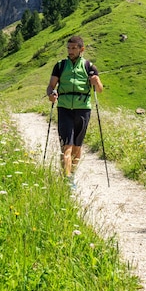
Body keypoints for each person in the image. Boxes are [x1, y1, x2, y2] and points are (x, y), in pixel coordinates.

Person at [46, 35, 103, 186]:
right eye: (68, 48)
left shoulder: (89, 67)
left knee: (77, 147)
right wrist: (51, 94)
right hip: (64, 108)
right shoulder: (60, 65)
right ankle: (67, 180)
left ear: (81, 49)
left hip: (83, 110)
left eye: (73, 48)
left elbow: (99, 90)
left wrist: (97, 82)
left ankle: (72, 173)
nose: (70, 51)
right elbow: (51, 86)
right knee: (67, 146)